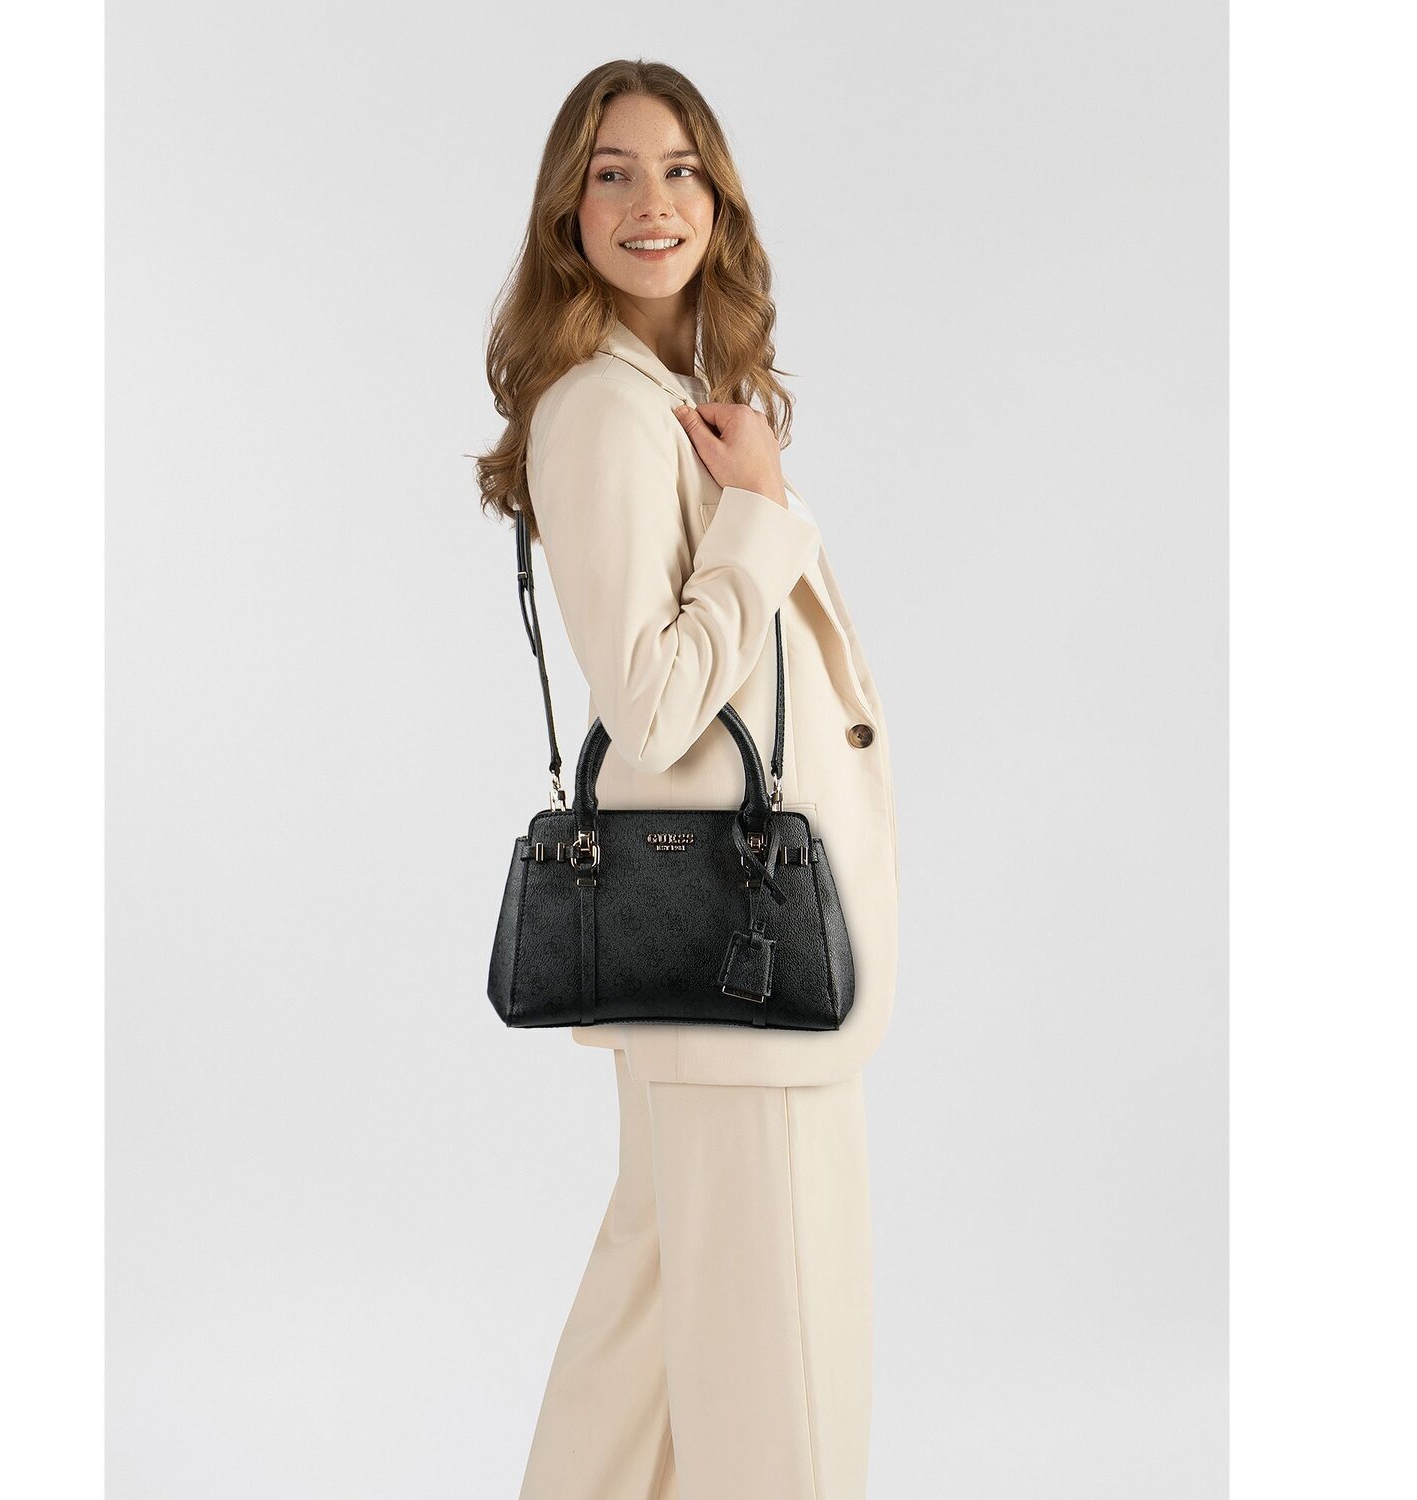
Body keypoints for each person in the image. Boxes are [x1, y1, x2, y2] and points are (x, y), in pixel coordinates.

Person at [473, 58, 901, 1500]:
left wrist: (747, 493)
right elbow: (652, 707)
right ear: (567, 211)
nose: (650, 202)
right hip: (741, 978)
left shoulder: (666, 399)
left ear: (719, 201)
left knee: (646, 1366)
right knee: (782, 1396)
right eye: (612, 173)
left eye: (680, 170)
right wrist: (760, 516)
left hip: (722, 985)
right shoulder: (605, 411)